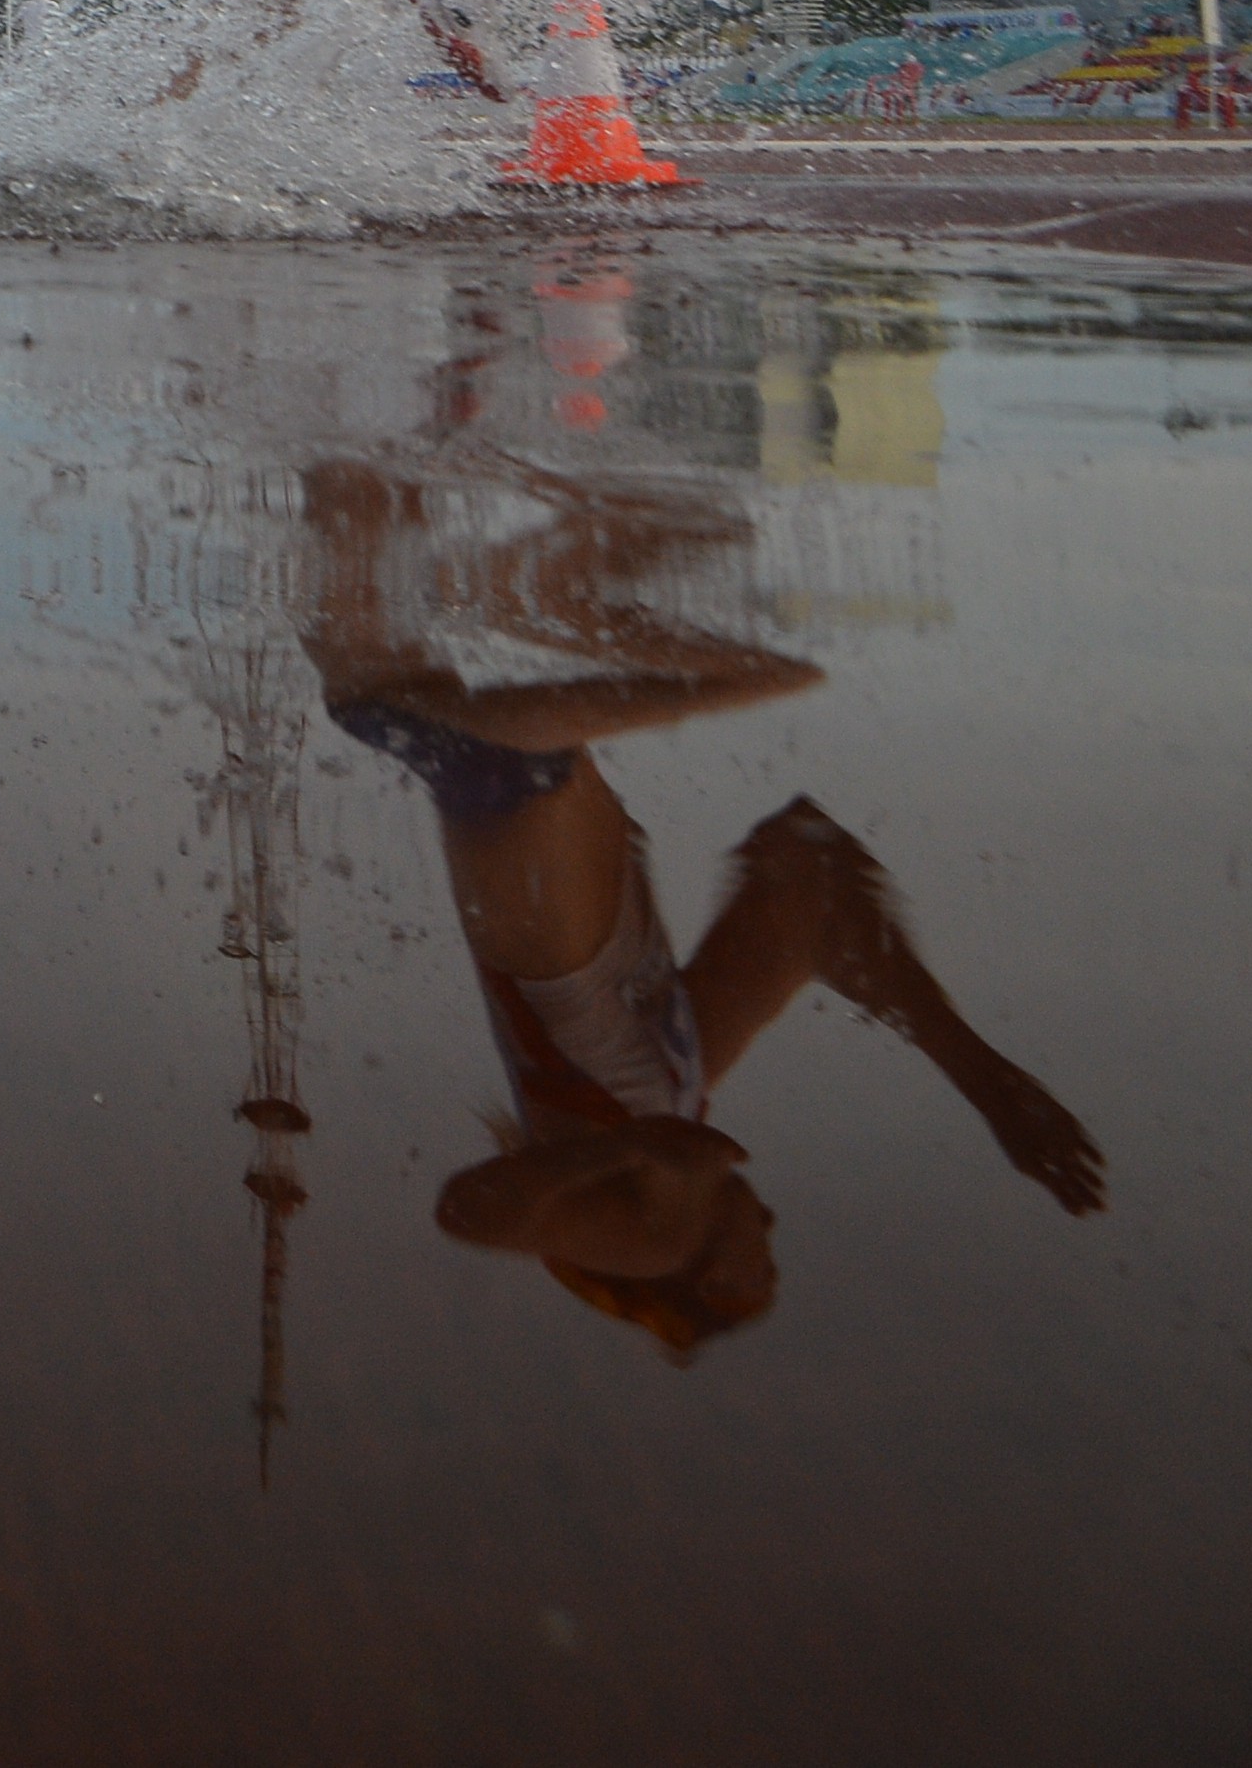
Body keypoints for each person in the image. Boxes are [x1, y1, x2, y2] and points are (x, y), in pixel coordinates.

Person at [295, 447, 1103, 1357]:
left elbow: (467, 1212)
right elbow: (807, 879)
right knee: (365, 449)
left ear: (713, 1277)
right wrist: (988, 1085)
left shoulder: (657, 1230)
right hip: (436, 725)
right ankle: (501, 527)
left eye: (765, 1263)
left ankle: (541, 593)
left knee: (774, 666)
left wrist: (629, 1156)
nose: (770, 1229)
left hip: (505, 766)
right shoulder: (678, 1086)